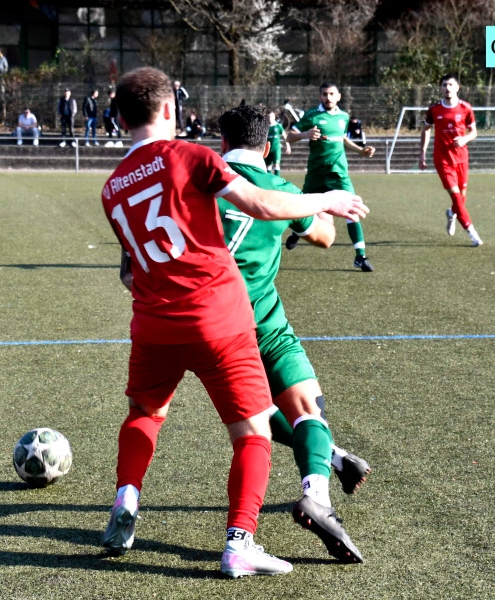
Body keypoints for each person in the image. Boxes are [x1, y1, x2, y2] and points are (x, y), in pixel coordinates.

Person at [99, 66, 368, 578]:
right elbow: (260, 203)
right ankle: (239, 544)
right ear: (170, 109)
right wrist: (325, 200)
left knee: (144, 414)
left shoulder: (112, 189)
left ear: (120, 118)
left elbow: (130, 273)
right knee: (252, 433)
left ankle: (126, 501)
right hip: (220, 318)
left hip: (154, 324)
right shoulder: (192, 157)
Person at [215, 104, 370, 564]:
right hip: (264, 323)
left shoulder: (200, 185)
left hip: (211, 326)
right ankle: (315, 494)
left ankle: (334, 457)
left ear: (222, 143)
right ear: (267, 147)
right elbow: (325, 236)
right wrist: (320, 200)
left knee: (256, 414)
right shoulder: (279, 190)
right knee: (307, 410)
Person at [287, 82, 377, 272]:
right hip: (316, 173)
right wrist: (305, 134)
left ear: (338, 96)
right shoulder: (312, 115)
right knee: (304, 208)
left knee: (352, 210)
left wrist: (361, 151)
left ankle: (360, 256)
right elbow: (290, 136)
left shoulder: (344, 116)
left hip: (339, 173)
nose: (328, 97)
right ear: (319, 96)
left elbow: (343, 138)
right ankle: (297, 232)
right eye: (324, 94)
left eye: (331, 94)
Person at [419, 74, 483, 247]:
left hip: (461, 158)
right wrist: (422, 153)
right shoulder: (434, 109)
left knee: (461, 198)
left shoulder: (465, 108)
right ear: (440, 88)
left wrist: (464, 139)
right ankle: (473, 235)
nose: (447, 88)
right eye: (444, 85)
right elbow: (426, 129)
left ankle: (451, 213)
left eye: (450, 85)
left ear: (457, 87)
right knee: (456, 197)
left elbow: (474, 132)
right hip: (443, 160)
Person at [264, 111, 289, 175]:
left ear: (274, 117)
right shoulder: (265, 127)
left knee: (276, 164)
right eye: (268, 117)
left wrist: (288, 146)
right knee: (268, 166)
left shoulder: (278, 126)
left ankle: (277, 178)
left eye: (271, 116)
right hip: (268, 149)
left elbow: (285, 136)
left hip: (276, 148)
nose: (270, 118)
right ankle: (269, 179)